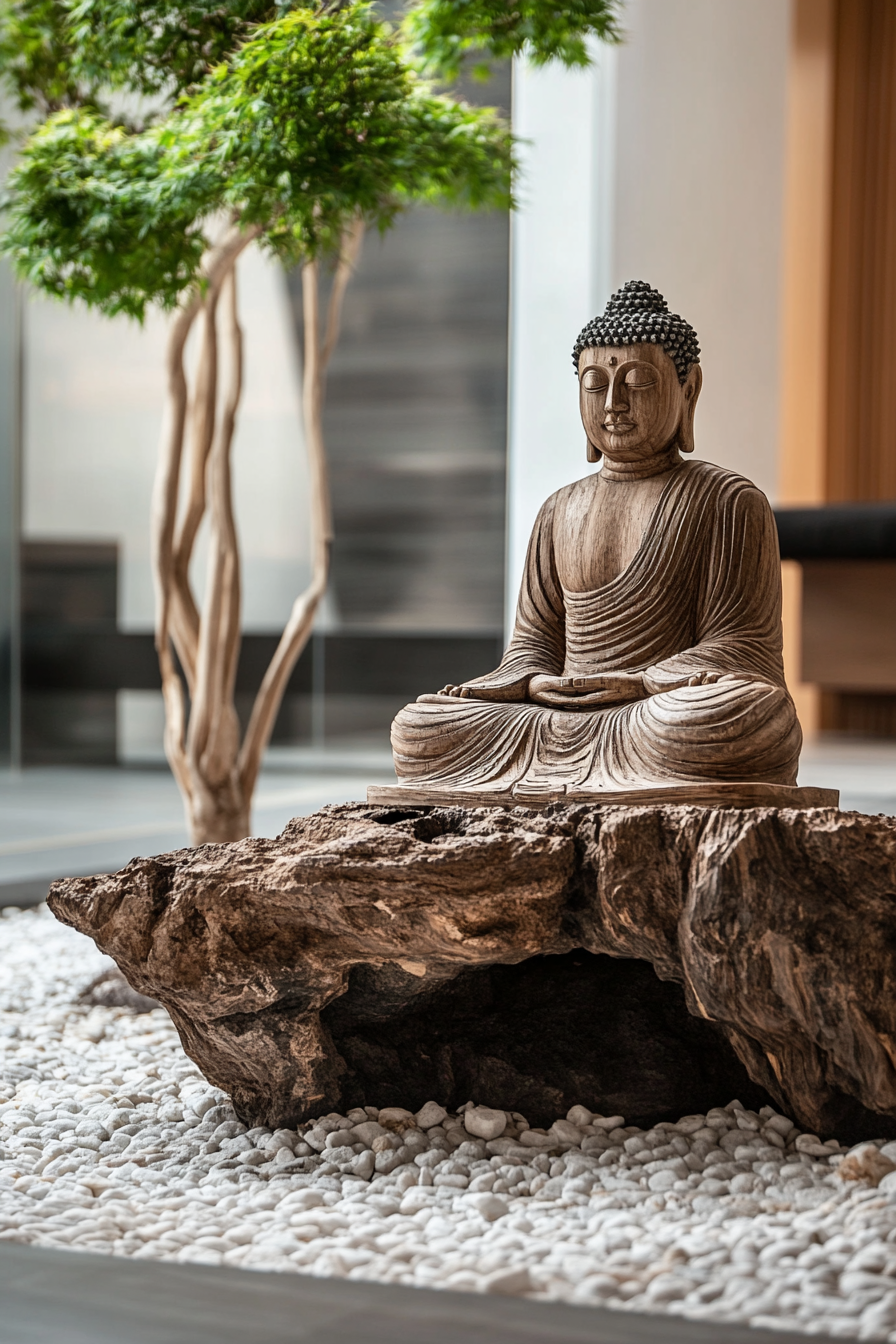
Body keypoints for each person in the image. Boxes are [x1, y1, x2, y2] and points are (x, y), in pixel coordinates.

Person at [390, 280, 801, 796]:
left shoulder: (728, 500)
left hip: (657, 715)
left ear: (688, 389)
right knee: (421, 725)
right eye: (595, 383)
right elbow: (534, 642)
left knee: (744, 717)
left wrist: (641, 682)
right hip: (553, 717)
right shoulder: (558, 508)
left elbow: (743, 646)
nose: (614, 403)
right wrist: (532, 683)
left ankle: (592, 764)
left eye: (638, 382)